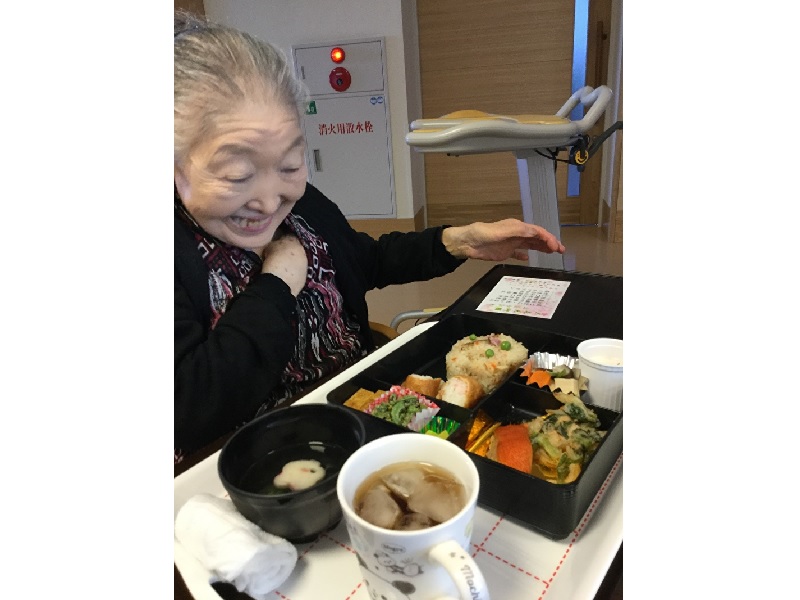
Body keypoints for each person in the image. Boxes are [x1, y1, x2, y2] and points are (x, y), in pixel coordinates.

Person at [174, 12, 565, 462]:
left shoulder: (304, 206)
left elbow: (363, 260)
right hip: (265, 459)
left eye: (289, 165)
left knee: (491, 449)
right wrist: (276, 285)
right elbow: (190, 407)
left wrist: (457, 242)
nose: (269, 201)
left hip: (368, 409)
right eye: (236, 175)